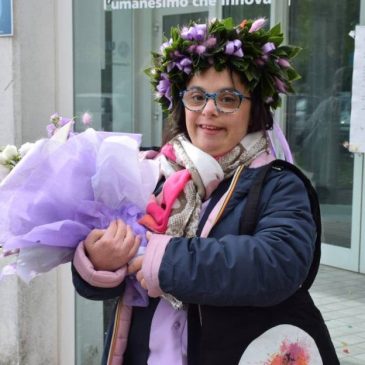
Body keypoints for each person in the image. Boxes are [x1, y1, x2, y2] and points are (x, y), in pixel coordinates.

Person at [72, 17, 339, 365]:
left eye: (228, 98)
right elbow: (97, 282)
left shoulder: (278, 183)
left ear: (253, 109)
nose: (209, 110)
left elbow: (278, 263)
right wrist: (98, 262)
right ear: (181, 104)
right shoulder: (147, 171)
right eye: (197, 96)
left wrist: (161, 259)